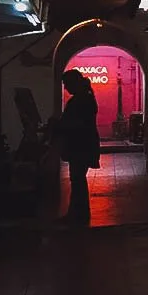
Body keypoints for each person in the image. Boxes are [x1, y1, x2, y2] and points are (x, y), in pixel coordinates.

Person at [54, 69, 100, 225]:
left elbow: (75, 124)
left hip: (79, 146)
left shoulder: (79, 101)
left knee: (77, 180)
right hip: (85, 145)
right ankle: (79, 214)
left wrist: (59, 126)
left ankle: (76, 215)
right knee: (78, 180)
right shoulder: (86, 98)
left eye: (66, 84)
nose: (65, 88)